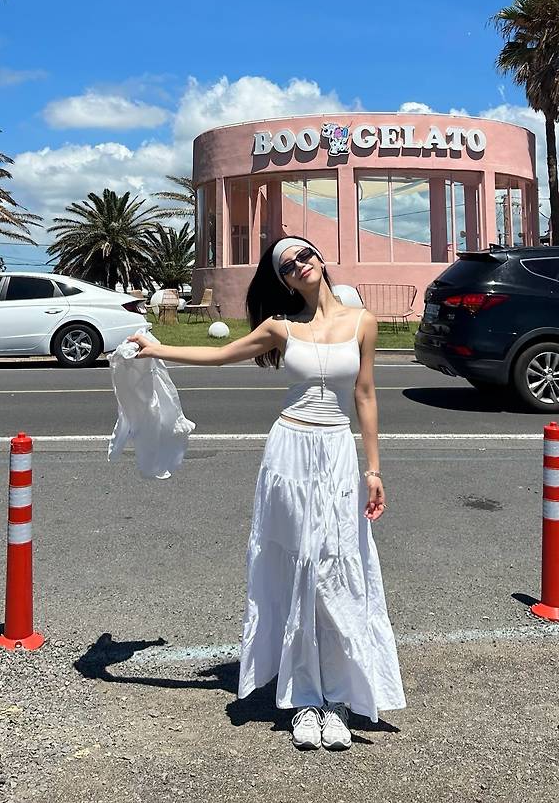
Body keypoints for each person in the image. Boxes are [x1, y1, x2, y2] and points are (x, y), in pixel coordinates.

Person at [128, 235, 405, 750]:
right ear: (283, 282)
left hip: (337, 451)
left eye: (304, 255)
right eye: (286, 265)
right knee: (297, 569)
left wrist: (373, 470)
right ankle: (303, 699)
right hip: (289, 453)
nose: (299, 265)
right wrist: (157, 348)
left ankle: (339, 697)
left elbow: (365, 395)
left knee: (336, 568)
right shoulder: (281, 327)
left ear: (320, 259)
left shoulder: (361, 322)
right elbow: (220, 355)